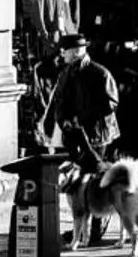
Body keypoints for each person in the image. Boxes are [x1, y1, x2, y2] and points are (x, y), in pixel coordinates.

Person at [42, 34, 120, 163]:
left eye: (64, 50)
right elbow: (58, 100)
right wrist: (60, 120)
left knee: (92, 172)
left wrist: (81, 118)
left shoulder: (100, 74)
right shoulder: (65, 73)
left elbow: (110, 104)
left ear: (75, 52)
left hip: (95, 136)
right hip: (72, 135)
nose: (62, 54)